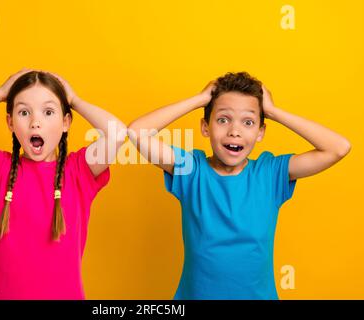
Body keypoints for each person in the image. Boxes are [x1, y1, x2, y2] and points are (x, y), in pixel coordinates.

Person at [127, 72, 351, 299]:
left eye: (248, 122)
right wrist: (200, 99)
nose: (235, 131)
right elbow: (136, 132)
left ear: (260, 132)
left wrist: (273, 111)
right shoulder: (191, 170)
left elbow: (338, 148)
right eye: (223, 119)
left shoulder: (270, 173)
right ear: (205, 127)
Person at [0, 69, 127, 299]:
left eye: (48, 112)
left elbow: (117, 134)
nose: (35, 122)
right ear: (10, 122)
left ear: (66, 122)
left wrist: (74, 100)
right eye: (23, 112)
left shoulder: (78, 172)